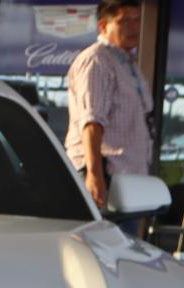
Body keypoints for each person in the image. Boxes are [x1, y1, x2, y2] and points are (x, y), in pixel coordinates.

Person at [64, 0, 154, 219]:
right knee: (105, 249)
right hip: (106, 175)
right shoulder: (97, 60)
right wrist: (94, 176)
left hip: (129, 177)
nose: (133, 27)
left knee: (128, 249)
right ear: (103, 26)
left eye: (137, 20)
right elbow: (92, 121)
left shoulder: (128, 64)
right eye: (124, 21)